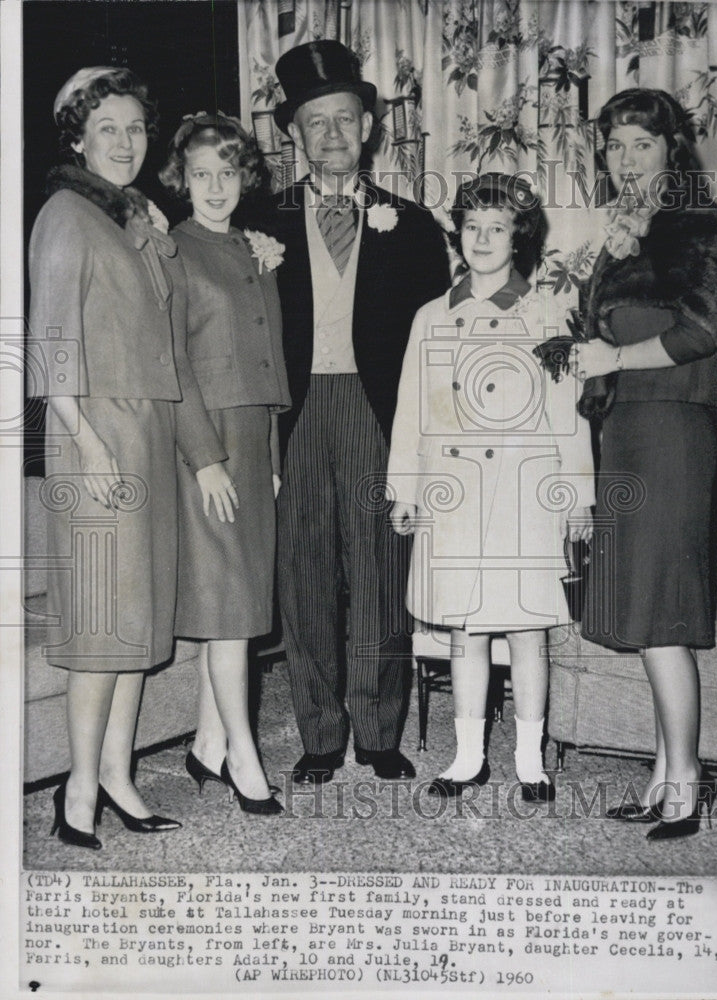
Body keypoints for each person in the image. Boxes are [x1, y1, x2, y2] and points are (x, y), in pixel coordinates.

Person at [28, 67, 234, 849]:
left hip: (144, 437)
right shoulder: (65, 215)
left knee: (133, 629)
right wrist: (89, 448)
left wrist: (199, 454)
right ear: (78, 136)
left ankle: (118, 777)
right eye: (106, 128)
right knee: (100, 633)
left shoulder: (132, 222)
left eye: (135, 128)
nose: (124, 142)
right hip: (95, 442)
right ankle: (77, 793)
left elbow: (171, 348)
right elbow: (47, 350)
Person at [268, 40, 451, 784]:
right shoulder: (258, 224)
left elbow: (436, 345)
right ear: (293, 136)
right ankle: (318, 732)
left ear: (369, 127)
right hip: (298, 411)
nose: (333, 136)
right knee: (303, 573)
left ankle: (378, 731)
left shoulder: (412, 225)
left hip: (378, 412)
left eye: (345, 119)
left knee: (380, 569)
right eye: (316, 123)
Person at [387, 173, 594, 799]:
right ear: (458, 234)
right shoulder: (431, 315)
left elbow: (569, 411)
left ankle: (529, 760)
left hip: (524, 496)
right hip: (454, 495)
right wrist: (405, 488)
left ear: (518, 237)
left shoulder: (546, 313)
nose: (482, 239)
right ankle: (467, 757)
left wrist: (578, 494)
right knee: (464, 630)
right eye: (471, 227)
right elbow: (410, 410)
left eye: (496, 228)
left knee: (529, 630)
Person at [570, 89, 717, 840]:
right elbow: (597, 333)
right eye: (614, 146)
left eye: (641, 143)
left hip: (673, 430)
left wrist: (613, 354)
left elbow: (704, 331)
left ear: (672, 148)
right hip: (627, 432)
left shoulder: (700, 224)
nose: (626, 158)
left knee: (663, 613)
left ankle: (688, 784)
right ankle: (665, 777)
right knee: (645, 611)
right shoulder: (623, 233)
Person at [159, 112, 291, 815]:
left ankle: (208, 745)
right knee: (231, 611)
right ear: (183, 179)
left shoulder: (255, 248)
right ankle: (245, 756)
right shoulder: (172, 251)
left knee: (236, 605)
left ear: (244, 176)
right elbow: (172, 364)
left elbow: (267, 364)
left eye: (227, 172)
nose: (215, 186)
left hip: (252, 444)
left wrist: (268, 457)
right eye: (201, 174)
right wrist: (206, 458)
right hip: (203, 448)